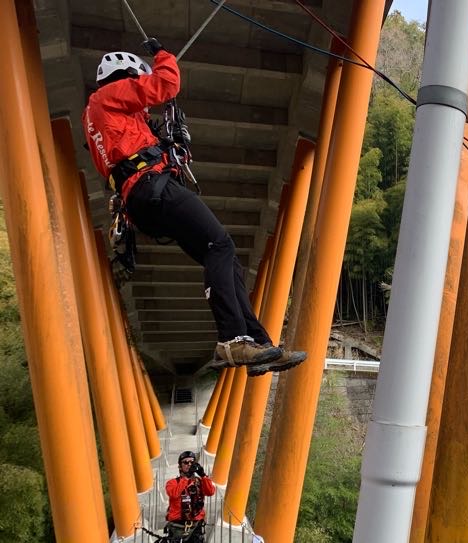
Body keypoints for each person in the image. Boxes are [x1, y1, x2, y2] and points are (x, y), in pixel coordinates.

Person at [83, 38, 305, 376]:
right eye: (134, 81)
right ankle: (231, 340)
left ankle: (258, 343)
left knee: (222, 257)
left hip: (143, 198)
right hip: (150, 188)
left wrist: (168, 145)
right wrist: (162, 54)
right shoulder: (106, 96)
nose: (139, 103)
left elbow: (137, 148)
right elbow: (165, 84)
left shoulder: (103, 118)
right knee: (220, 244)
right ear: (124, 76)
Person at [164, 451, 215, 543]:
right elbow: (174, 494)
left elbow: (210, 492)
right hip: (177, 526)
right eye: (186, 462)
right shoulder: (172, 483)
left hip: (196, 526)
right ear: (180, 466)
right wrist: (186, 478)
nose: (189, 464)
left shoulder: (200, 481)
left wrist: (203, 476)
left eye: (192, 462)